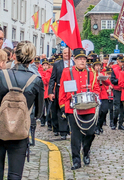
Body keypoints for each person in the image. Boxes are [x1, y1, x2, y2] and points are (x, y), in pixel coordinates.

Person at [0, 41, 44, 180]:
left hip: (0, 128)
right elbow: (39, 113)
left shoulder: (2, 75)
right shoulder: (36, 80)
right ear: (32, 60)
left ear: (13, 56)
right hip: (20, 131)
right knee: (15, 175)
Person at [59, 48, 100, 170]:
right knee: (75, 136)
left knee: (90, 133)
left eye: (84, 59)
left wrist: (96, 98)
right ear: (74, 60)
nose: (82, 61)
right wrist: (63, 107)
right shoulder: (67, 72)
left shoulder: (91, 72)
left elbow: (96, 88)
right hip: (73, 108)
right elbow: (62, 91)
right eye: (79, 59)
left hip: (89, 108)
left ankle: (86, 151)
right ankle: (76, 160)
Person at [48, 47, 73, 139]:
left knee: (70, 109)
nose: (67, 55)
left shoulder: (74, 63)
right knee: (59, 110)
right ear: (62, 54)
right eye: (65, 53)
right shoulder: (57, 64)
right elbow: (52, 78)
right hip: (60, 88)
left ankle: (69, 129)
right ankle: (61, 131)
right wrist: (50, 92)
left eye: (68, 53)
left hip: (72, 89)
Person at [92, 56, 111, 135]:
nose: (98, 67)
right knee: (97, 112)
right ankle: (96, 127)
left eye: (99, 65)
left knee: (105, 110)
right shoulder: (91, 73)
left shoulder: (102, 73)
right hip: (95, 95)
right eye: (96, 65)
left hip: (103, 94)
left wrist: (102, 77)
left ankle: (100, 125)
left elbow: (108, 83)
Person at [110, 55, 124, 130]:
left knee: (123, 109)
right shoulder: (115, 69)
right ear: (118, 62)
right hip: (117, 90)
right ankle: (114, 123)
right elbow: (112, 80)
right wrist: (120, 81)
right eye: (121, 62)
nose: (123, 63)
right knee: (116, 108)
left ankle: (121, 123)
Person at [39, 58, 53, 129]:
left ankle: (49, 122)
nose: (45, 66)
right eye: (44, 65)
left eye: (46, 65)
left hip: (47, 93)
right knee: (42, 108)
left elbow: (47, 81)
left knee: (48, 108)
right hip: (42, 92)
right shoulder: (40, 72)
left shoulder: (49, 72)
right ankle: (42, 120)